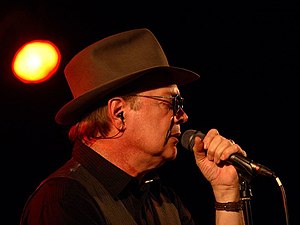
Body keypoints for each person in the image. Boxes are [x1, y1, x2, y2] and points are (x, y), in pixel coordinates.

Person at [20, 28, 247, 225]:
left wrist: (226, 194)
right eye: (173, 102)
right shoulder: (64, 200)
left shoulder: (162, 200)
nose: (183, 116)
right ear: (119, 114)